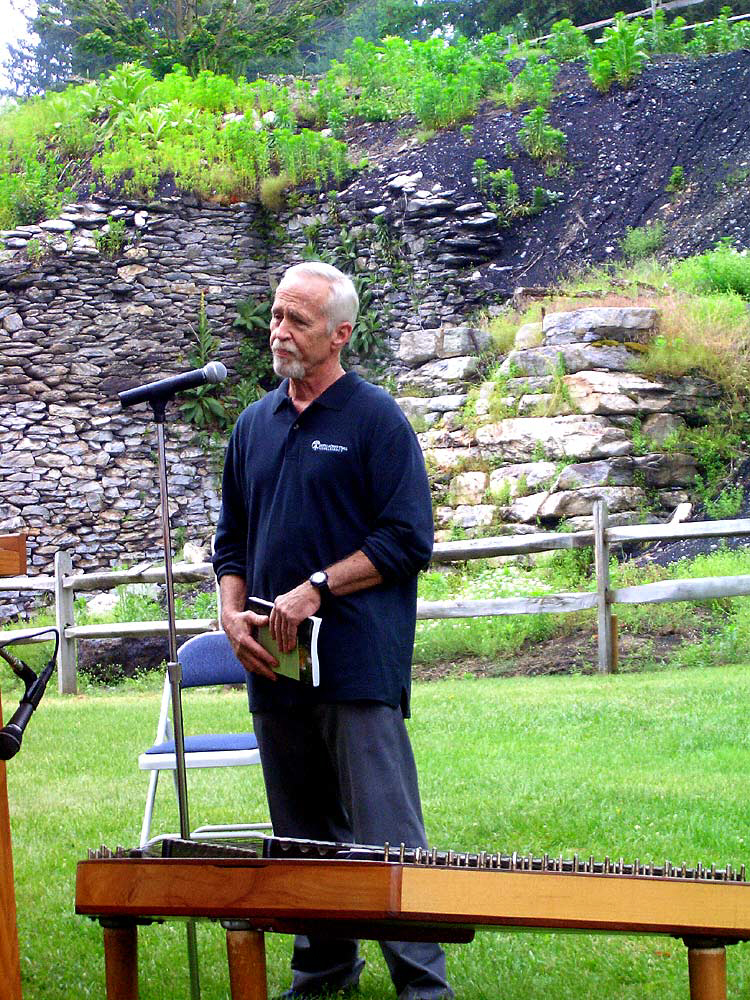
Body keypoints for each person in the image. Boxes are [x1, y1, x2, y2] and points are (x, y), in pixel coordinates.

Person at [212, 261, 453, 1000]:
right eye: (276, 316)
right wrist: (229, 609)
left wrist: (319, 585)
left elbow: (409, 539)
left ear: (340, 334)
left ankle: (422, 984)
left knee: (384, 829)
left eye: (298, 321)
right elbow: (232, 541)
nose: (279, 331)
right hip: (273, 663)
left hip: (355, 661)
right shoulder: (255, 424)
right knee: (301, 829)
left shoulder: (376, 419)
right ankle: (322, 971)